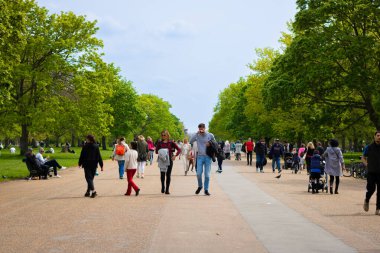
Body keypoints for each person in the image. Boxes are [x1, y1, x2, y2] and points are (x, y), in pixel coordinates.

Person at [189, 123, 215, 196]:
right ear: (198, 129)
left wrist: (210, 143)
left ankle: (206, 189)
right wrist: (196, 134)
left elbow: (215, 143)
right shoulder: (197, 135)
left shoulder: (210, 135)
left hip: (208, 157)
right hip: (199, 157)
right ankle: (200, 186)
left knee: (207, 175)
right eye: (200, 129)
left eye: (202, 128)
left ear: (205, 128)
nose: (201, 130)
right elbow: (190, 141)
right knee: (198, 174)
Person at [155, 130, 181, 194]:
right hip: (162, 160)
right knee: (162, 174)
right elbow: (156, 151)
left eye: (164, 135)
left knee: (168, 174)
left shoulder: (171, 142)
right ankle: (163, 186)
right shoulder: (159, 143)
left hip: (169, 159)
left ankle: (167, 189)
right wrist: (161, 152)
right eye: (162, 135)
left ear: (167, 135)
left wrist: (175, 155)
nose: (163, 136)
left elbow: (179, 149)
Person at [362, 131, 380, 215]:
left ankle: (378, 209)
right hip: (371, 172)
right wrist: (366, 164)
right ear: (374, 136)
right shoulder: (368, 147)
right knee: (371, 189)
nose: (379, 137)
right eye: (378, 135)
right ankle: (367, 199)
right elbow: (363, 157)